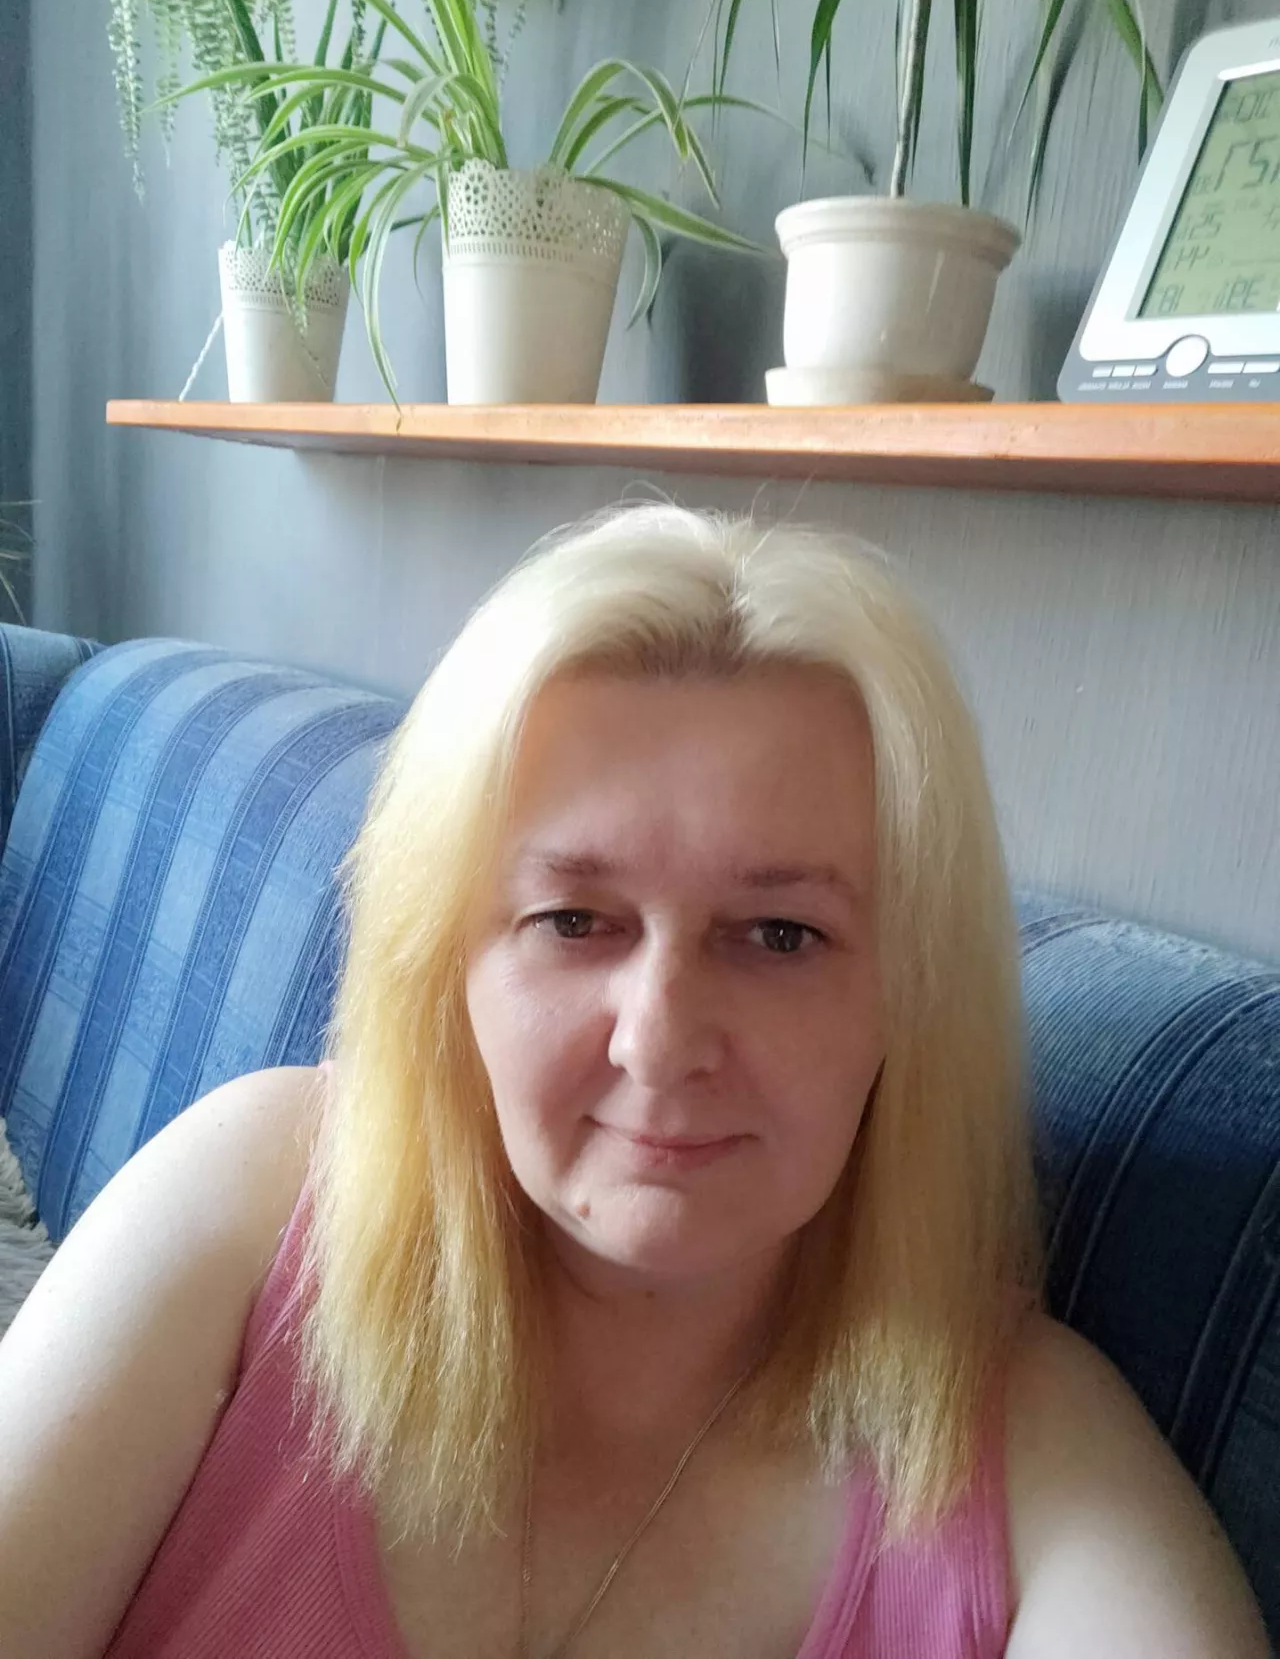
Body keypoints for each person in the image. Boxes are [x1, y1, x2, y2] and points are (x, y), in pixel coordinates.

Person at [0, 504, 1267, 1659]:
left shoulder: (1029, 1460)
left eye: (780, 935)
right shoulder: (254, 1198)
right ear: (445, 963)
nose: (657, 1043)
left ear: (908, 995)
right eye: (571, 920)